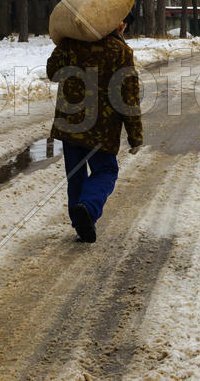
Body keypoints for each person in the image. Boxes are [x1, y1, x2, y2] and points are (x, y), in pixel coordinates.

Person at [46, 13, 143, 243]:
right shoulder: (120, 51)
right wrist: (135, 135)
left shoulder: (70, 43)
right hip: (103, 128)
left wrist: (65, 45)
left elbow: (52, 72)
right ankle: (87, 208)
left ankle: (81, 225)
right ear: (118, 25)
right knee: (105, 171)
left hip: (71, 125)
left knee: (75, 175)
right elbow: (128, 96)